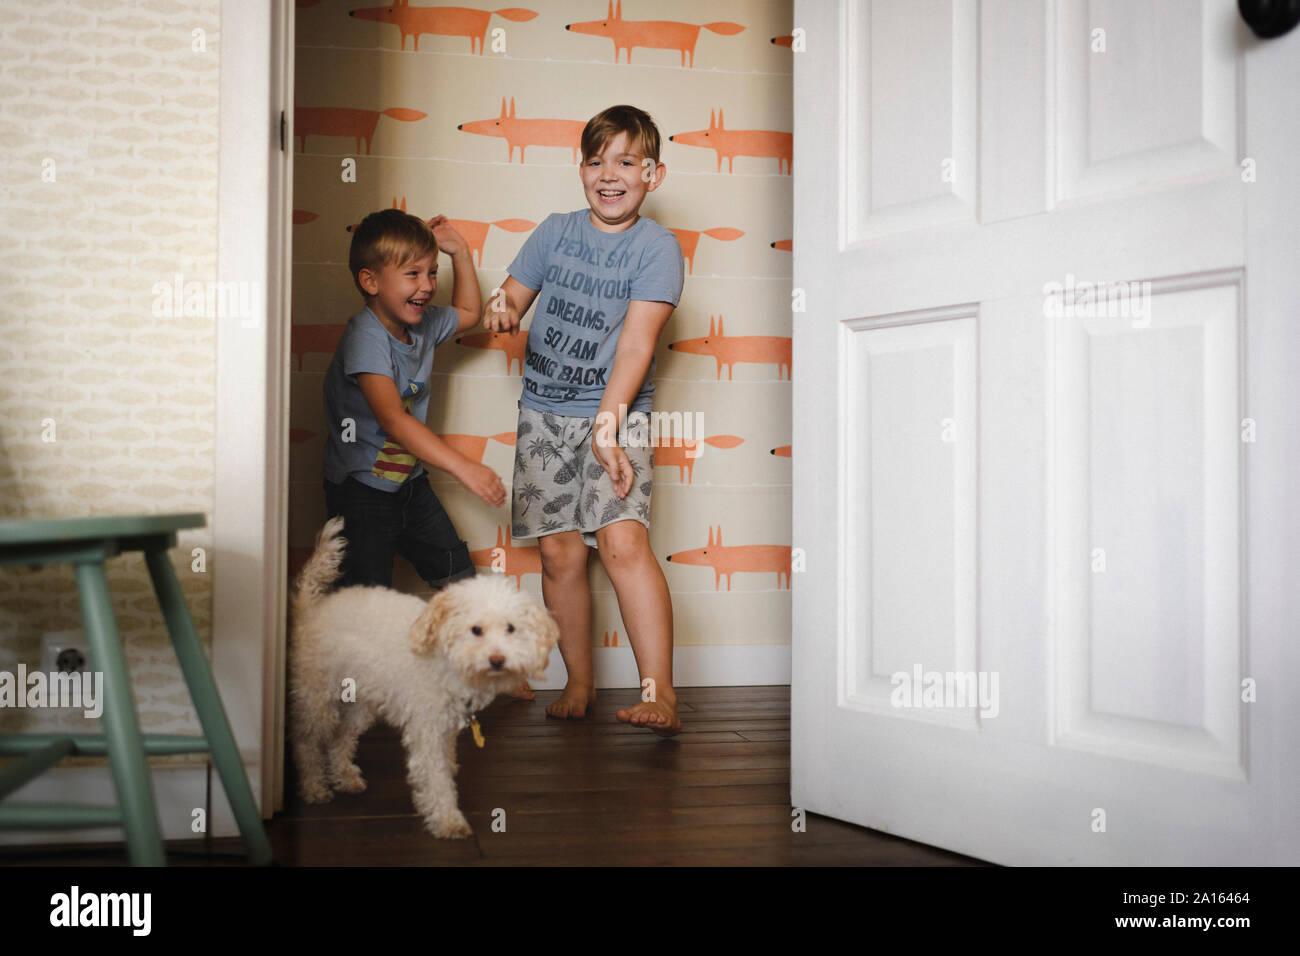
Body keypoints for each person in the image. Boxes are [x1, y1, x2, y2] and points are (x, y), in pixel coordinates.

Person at [483, 105, 686, 734]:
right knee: (559, 555)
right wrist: (502, 309)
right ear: (581, 169)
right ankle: (578, 681)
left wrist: (607, 427)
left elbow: (635, 346)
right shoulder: (554, 231)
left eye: (625, 162)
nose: (609, 174)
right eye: (596, 161)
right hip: (544, 413)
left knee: (624, 543)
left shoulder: (658, 248)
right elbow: (512, 296)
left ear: (652, 173)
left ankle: (661, 693)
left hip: (617, 416)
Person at [321, 208, 509, 609]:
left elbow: (471, 314)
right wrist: (465, 467)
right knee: (365, 605)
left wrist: (459, 254)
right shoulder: (365, 338)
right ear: (370, 281)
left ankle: (491, 667)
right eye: (412, 274)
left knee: (462, 584)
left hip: (410, 484)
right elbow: (393, 418)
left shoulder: (421, 324)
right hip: (362, 492)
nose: (426, 286)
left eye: (432, 273)